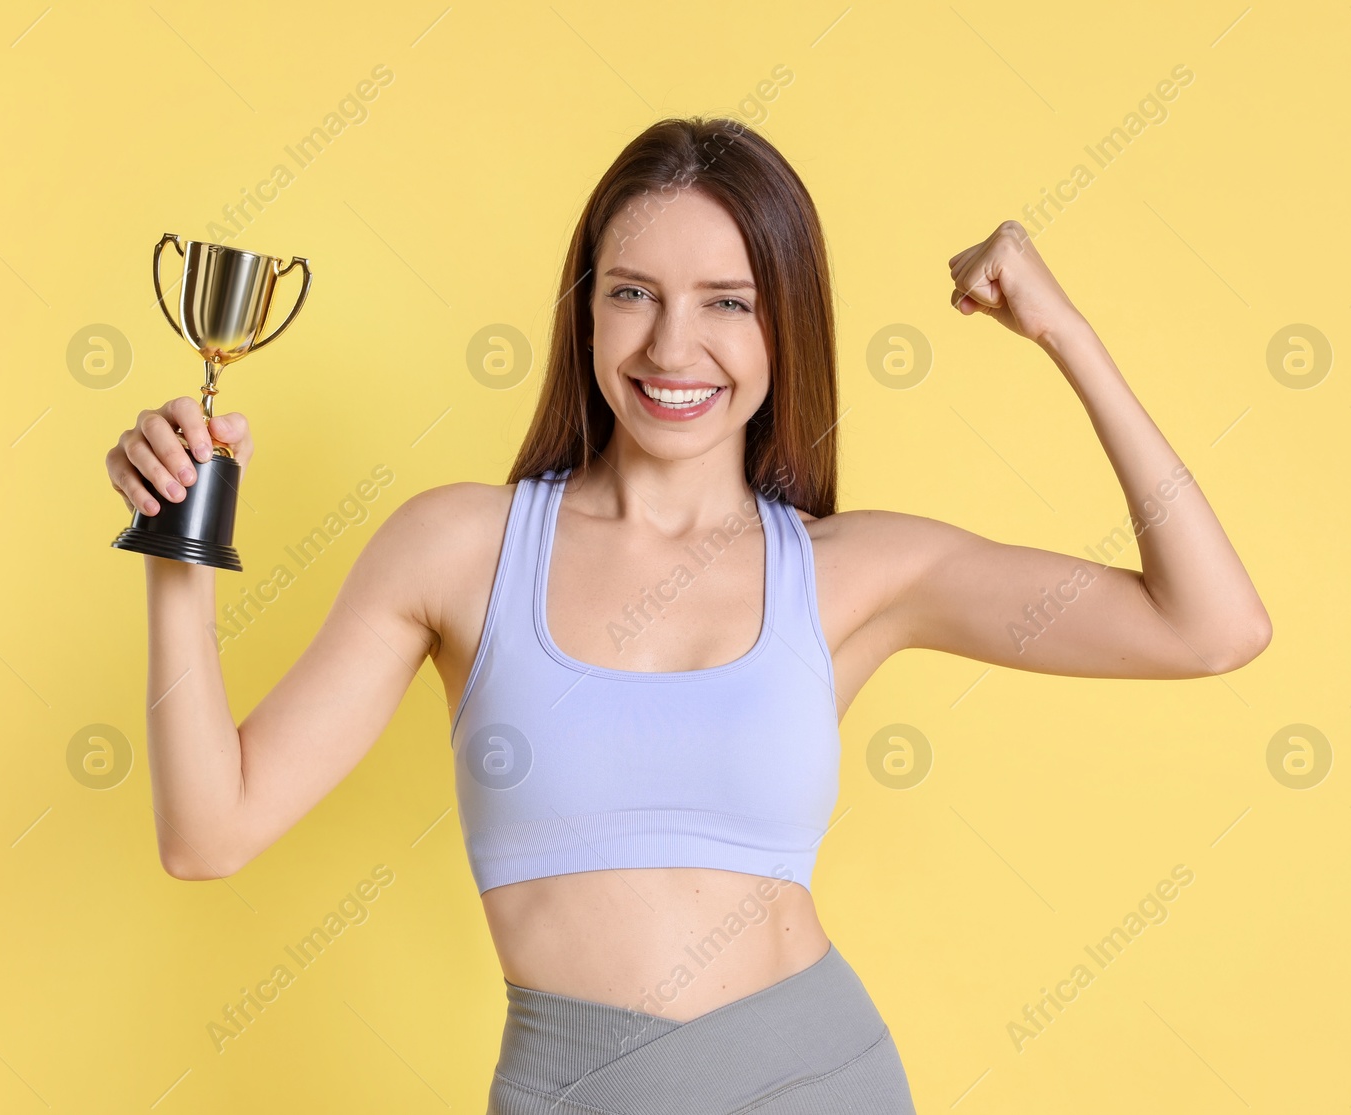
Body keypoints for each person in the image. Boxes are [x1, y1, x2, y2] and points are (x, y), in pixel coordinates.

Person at [105, 116, 1271, 1113]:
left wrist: (1064, 333)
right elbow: (210, 833)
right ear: (586, 310)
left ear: (785, 324)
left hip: (822, 1078)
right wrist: (178, 542)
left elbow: (1208, 627)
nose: (673, 346)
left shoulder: (854, 570)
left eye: (727, 301)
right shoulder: (459, 546)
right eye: (633, 294)